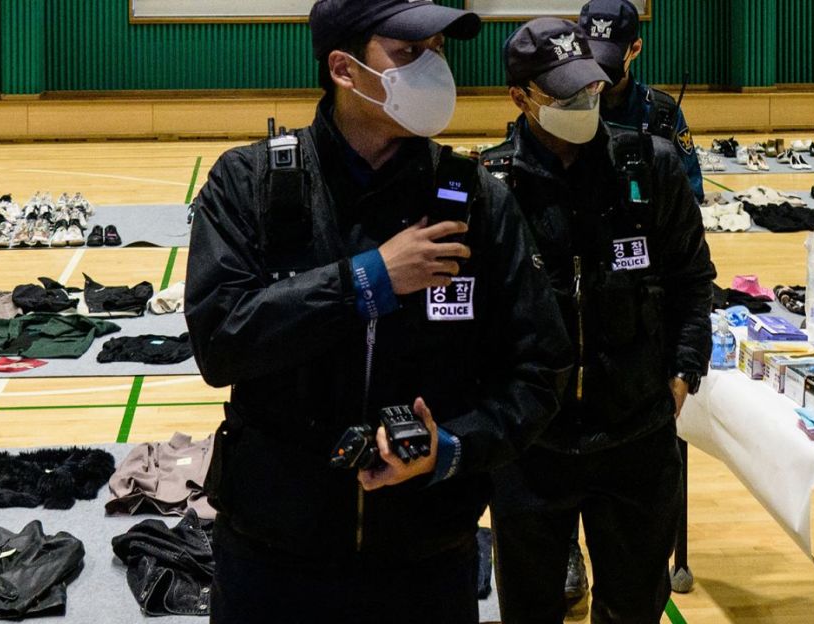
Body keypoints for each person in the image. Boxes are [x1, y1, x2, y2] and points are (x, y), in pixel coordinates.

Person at [184, 1, 572, 621]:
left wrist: (453, 447)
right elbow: (221, 340)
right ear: (344, 68)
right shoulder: (249, 184)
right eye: (411, 52)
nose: (435, 68)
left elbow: (540, 370)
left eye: (440, 50)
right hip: (272, 557)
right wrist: (369, 280)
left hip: (428, 558)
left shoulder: (479, 201)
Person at [481, 18, 715, 623]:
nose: (581, 103)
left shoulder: (649, 166)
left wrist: (684, 371)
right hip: (532, 450)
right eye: (561, 95)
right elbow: (466, 317)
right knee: (531, 609)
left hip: (636, 440)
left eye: (587, 88)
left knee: (634, 606)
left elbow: (692, 280)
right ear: (519, 97)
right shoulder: (487, 188)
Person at [580, 0, 705, 203]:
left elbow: (691, 193)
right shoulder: (564, 107)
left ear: (635, 49)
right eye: (590, 54)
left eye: (608, 57)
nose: (599, 67)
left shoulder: (661, 111)